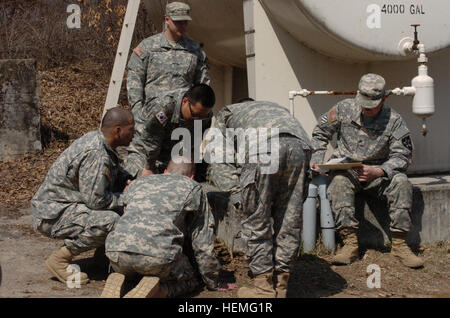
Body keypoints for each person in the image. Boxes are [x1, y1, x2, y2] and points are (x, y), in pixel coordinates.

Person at [310, 73, 424, 268]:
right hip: (347, 170)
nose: (368, 109)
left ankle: (399, 244)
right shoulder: (343, 108)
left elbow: (403, 155)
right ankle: (350, 243)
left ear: (384, 99)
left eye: (373, 105)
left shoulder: (394, 120)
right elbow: (321, 132)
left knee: (401, 182)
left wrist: (380, 171)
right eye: (364, 103)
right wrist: (316, 158)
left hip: (377, 172)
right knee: (338, 183)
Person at [206, 100, 312, 298]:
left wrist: (237, 195)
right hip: (300, 147)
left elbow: (219, 159)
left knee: (257, 219)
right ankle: (281, 284)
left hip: (263, 149)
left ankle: (263, 288)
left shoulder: (227, 113)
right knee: (289, 218)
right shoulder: (276, 107)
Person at [31, 107, 135, 285]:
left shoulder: (101, 142)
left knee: (116, 211)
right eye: (131, 129)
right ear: (118, 130)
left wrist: (129, 181)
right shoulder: (96, 154)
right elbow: (96, 201)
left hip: (64, 205)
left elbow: (113, 174)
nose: (134, 134)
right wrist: (126, 197)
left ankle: (102, 260)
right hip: (53, 213)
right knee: (110, 220)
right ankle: (59, 260)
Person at [101, 159, 219, 298]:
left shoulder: (138, 183)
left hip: (117, 254)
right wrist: (212, 280)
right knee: (191, 280)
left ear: (165, 172)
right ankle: (160, 291)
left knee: (135, 268)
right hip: (157, 258)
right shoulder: (193, 187)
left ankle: (123, 280)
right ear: (192, 176)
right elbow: (202, 242)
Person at [127, 1, 209, 174]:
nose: (183, 25)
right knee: (139, 173)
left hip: (179, 129)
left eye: (185, 21)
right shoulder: (147, 48)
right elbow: (134, 84)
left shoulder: (195, 51)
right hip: (150, 123)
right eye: (178, 21)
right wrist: (138, 116)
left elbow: (202, 88)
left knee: (176, 180)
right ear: (167, 20)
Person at [125, 83, 215, 177]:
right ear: (185, 101)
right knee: (140, 178)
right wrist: (148, 168)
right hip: (144, 150)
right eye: (195, 115)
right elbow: (150, 141)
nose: (198, 120)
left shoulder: (205, 116)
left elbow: (192, 146)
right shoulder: (163, 107)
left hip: (171, 152)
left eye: (202, 117)